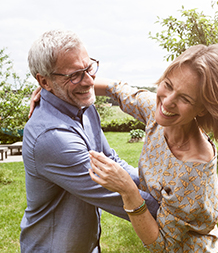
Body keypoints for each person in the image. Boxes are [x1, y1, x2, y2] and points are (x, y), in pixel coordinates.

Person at [88, 44, 218, 252]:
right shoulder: (155, 111)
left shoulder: (194, 172)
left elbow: (163, 245)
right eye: (168, 85)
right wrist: (56, 91)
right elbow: (115, 88)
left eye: (185, 98)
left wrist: (128, 190)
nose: (168, 102)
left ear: (202, 109)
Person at [20, 29, 159, 253]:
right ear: (44, 81)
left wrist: (159, 186)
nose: (89, 80)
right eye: (74, 75)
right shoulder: (51, 137)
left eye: (89, 67)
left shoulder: (83, 107)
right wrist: (180, 210)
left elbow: (112, 162)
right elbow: (115, 192)